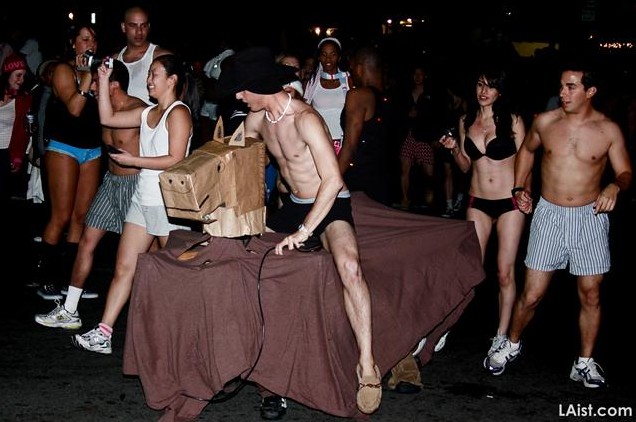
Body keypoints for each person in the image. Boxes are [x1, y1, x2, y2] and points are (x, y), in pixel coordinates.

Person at [217, 46, 382, 417]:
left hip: (330, 201)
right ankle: (254, 364)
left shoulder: (305, 118)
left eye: (242, 89)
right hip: (293, 205)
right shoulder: (258, 119)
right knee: (242, 258)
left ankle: (367, 364)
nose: (238, 97)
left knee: (350, 266)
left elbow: (333, 179)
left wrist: (306, 230)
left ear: (258, 85)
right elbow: (231, 153)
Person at [483, 58, 632, 388]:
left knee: (590, 295)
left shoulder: (608, 130)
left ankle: (584, 362)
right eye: (562, 86)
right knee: (532, 294)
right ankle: (511, 343)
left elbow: (625, 172)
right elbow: (526, 151)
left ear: (590, 91)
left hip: (590, 216)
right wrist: (520, 188)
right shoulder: (545, 122)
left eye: (571, 87)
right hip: (549, 214)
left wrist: (614, 186)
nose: (562, 92)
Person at [71, 54, 196, 354]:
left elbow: (175, 159)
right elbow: (107, 118)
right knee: (124, 267)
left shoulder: (179, 113)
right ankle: (104, 333)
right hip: (142, 200)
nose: (149, 80)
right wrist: (103, 80)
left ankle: (190, 335)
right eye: (149, 74)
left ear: (172, 80)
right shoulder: (148, 112)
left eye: (154, 74)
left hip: (167, 205)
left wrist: (134, 160)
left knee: (178, 273)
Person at [34, 59, 147, 329]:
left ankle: (157, 310)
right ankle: (70, 310)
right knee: (86, 241)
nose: (92, 88)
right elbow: (72, 109)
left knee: (148, 255)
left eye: (97, 82)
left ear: (113, 85)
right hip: (110, 184)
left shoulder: (140, 112)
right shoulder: (102, 111)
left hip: (136, 186)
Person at [439, 65, 526, 361]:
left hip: (509, 203)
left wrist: (525, 192)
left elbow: (526, 160)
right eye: (479, 84)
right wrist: (454, 149)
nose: (483, 91)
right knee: (469, 269)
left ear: (500, 90)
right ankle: (444, 327)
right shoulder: (466, 120)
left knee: (504, 272)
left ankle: (501, 336)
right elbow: (465, 166)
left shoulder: (513, 120)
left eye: (490, 85)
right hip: (478, 202)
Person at [34, 22, 103, 299]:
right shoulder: (63, 70)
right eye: (84, 39)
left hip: (92, 149)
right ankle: (45, 277)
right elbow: (74, 108)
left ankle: (71, 279)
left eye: (93, 39)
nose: (90, 44)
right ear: (73, 43)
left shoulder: (100, 71)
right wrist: (86, 77)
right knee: (61, 216)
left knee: (81, 217)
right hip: (64, 148)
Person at [338, 45, 392, 206]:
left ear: (360, 68)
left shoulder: (358, 95)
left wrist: (331, 179)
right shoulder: (390, 98)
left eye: (352, 69)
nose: (351, 73)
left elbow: (350, 146)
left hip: (360, 182)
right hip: (386, 179)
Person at [303, 37, 353, 155]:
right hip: (320, 140)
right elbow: (305, 111)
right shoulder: (312, 83)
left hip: (344, 141)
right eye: (324, 54)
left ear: (339, 57)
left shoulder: (348, 80)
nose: (328, 59)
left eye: (333, 54)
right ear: (319, 57)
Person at [114, 5, 172, 105]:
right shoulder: (114, 60)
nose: (139, 31)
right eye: (133, 25)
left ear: (148, 27)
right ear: (123, 27)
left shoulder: (161, 57)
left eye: (143, 26)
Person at [0, 53, 32, 206]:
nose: (22, 80)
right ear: (7, 75)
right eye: (18, 75)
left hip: (4, 154)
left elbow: (23, 132)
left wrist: (17, 156)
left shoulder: (23, 99)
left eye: (24, 76)